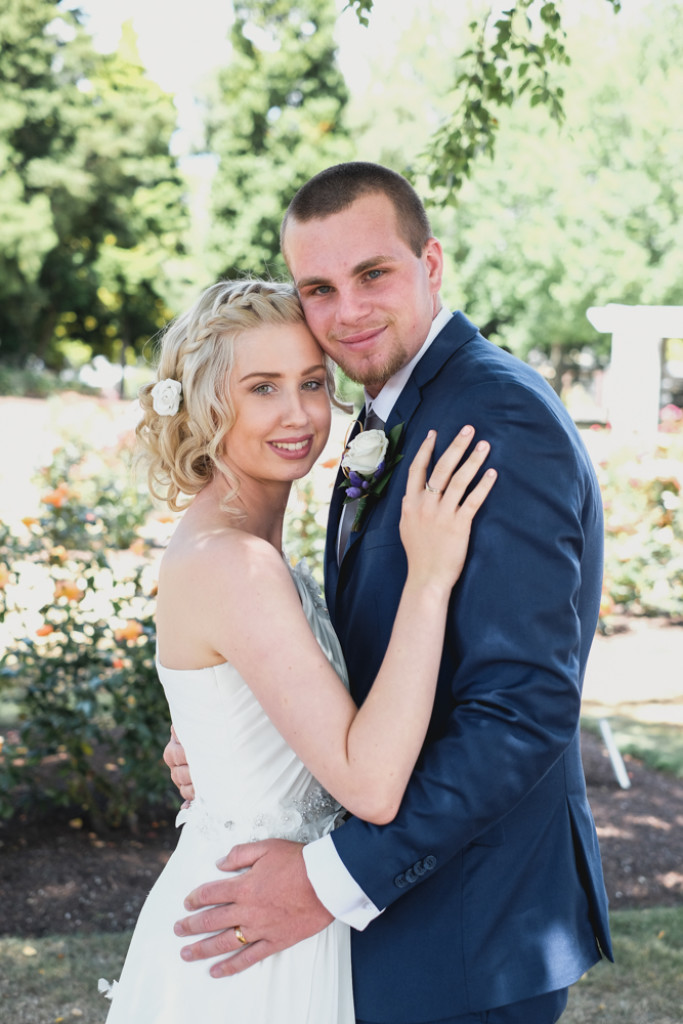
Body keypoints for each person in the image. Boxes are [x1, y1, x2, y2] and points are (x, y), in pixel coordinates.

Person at [169, 163, 613, 1024]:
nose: (347, 312)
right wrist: (235, 728)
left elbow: (521, 708)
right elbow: (364, 652)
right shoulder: (397, 412)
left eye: (372, 274)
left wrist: (329, 880)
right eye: (319, 289)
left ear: (430, 263)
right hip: (407, 929)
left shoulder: (492, 416)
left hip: (468, 932)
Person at [100, 277, 496, 1023]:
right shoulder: (236, 563)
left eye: (312, 382)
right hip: (249, 926)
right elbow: (370, 786)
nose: (299, 414)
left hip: (273, 909)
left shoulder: (243, 547)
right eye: (262, 388)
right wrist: (430, 576)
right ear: (205, 406)